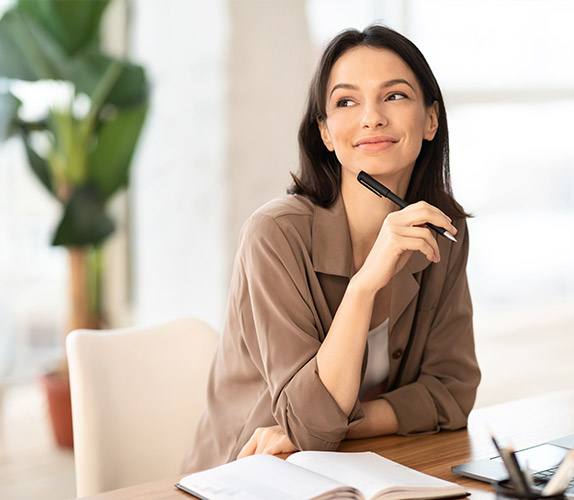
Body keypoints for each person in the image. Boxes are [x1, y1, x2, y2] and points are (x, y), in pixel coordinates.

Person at [181, 24, 479, 473]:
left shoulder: (440, 230)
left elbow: (452, 393)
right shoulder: (273, 235)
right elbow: (310, 424)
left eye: (394, 96)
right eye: (346, 101)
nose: (372, 117)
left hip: (360, 466)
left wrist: (349, 426)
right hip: (250, 473)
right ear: (324, 131)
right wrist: (364, 286)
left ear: (431, 119)